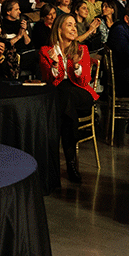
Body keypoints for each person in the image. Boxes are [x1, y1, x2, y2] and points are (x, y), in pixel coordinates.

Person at [36, 11, 96, 186]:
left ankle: (54, 164)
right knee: (64, 102)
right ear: (59, 29)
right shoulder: (46, 51)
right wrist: (55, 63)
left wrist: (77, 65)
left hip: (80, 93)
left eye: (74, 25)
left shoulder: (81, 49)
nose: (73, 28)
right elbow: (50, 81)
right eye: (69, 24)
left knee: (65, 95)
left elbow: (85, 80)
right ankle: (71, 163)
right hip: (60, 97)